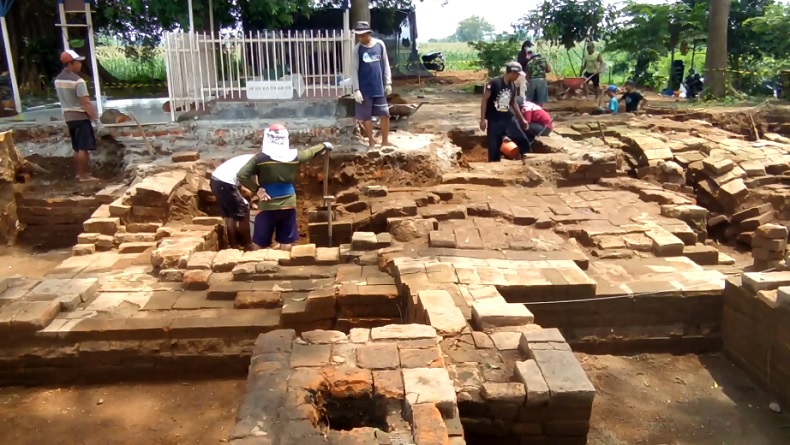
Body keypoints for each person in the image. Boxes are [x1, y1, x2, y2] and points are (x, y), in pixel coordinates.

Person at [236, 124, 332, 251]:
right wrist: (324, 146)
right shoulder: (293, 156)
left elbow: (242, 175)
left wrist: (257, 189)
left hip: (268, 204)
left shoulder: (260, 158)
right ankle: (283, 267)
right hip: (288, 203)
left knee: (259, 243)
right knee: (286, 242)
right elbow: (310, 153)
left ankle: (257, 267)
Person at [54, 49, 98, 182]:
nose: (80, 65)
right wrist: (95, 118)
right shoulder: (78, 81)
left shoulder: (58, 80)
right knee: (83, 147)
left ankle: (79, 173)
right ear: (70, 63)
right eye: (78, 62)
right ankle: (84, 175)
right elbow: (85, 102)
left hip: (68, 117)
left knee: (76, 147)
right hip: (80, 117)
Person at [350, 21, 393, 149]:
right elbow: (354, 70)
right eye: (358, 36)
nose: (360, 38)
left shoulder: (380, 45)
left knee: (384, 114)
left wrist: (388, 82)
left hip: (379, 87)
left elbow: (385, 64)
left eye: (363, 35)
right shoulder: (357, 50)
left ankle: (385, 141)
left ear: (369, 33)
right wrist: (356, 89)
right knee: (366, 117)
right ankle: (371, 142)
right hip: (364, 89)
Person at [479, 62, 529, 163]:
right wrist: (482, 120)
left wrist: (522, 119)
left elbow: (513, 103)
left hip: (508, 119)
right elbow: (484, 100)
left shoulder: (512, 85)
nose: (518, 77)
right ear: (512, 72)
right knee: (494, 149)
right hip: (494, 120)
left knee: (523, 140)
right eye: (517, 74)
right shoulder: (494, 83)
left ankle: (527, 161)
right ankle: (495, 169)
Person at [210, 154, 255, 250]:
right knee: (244, 207)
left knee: (231, 214)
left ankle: (233, 245)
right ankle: (248, 244)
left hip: (216, 181)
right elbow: (249, 181)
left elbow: (239, 182)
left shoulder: (247, 158)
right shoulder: (255, 161)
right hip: (225, 183)